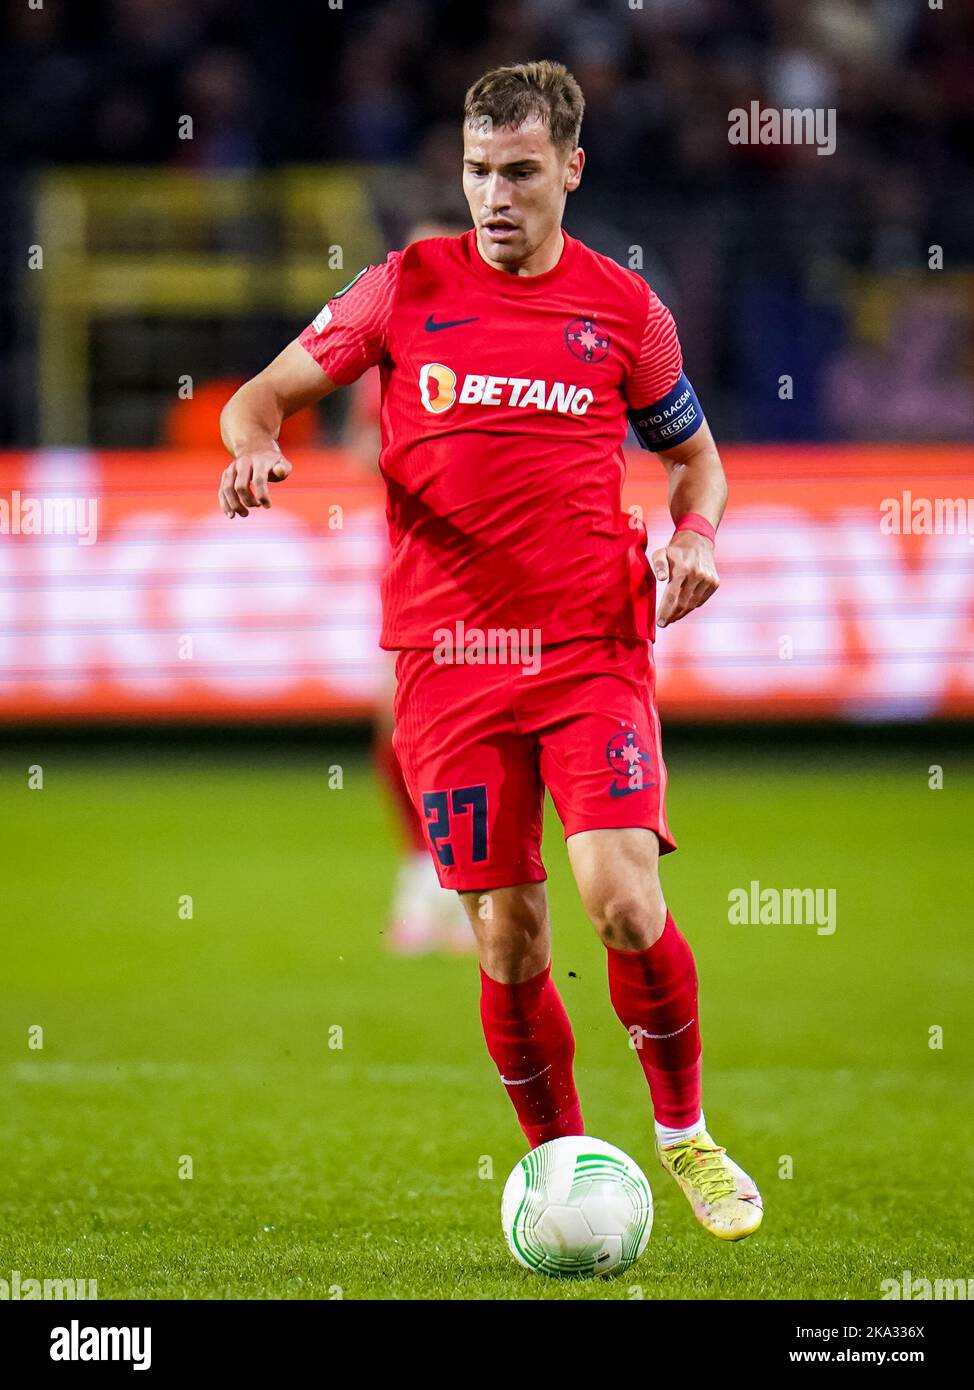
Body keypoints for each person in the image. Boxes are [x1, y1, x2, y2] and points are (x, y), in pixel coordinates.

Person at [218, 60, 762, 1241]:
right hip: (446, 663)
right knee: (509, 937)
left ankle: (684, 1134)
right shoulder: (402, 286)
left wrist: (697, 533)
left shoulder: (625, 309)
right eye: (475, 172)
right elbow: (257, 396)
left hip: (588, 646)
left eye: (518, 172)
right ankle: (561, 1167)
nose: (493, 195)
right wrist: (254, 442)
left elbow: (694, 460)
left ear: (569, 169)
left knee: (621, 899)